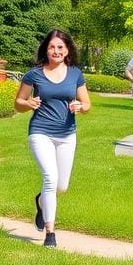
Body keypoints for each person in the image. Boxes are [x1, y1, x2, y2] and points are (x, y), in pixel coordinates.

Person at [14, 29, 90, 248]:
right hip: (40, 131)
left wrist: (79, 106)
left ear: (67, 50)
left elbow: (87, 104)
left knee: (61, 186)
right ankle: (50, 233)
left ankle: (40, 201)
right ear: (46, 49)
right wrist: (27, 104)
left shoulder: (75, 73)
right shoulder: (34, 74)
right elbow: (18, 102)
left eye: (60, 47)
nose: (56, 51)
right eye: (52, 47)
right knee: (50, 177)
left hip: (67, 135)